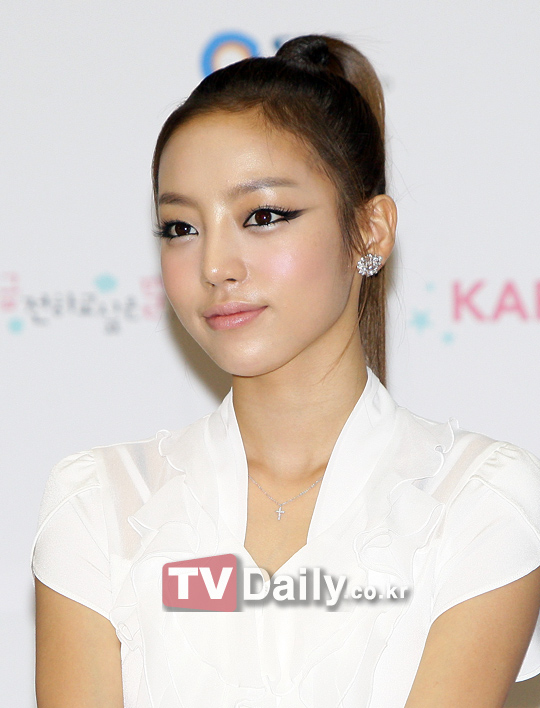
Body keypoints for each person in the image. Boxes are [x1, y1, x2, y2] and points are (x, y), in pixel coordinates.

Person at [31, 34, 540, 708]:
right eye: (181, 227)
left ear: (371, 230)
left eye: (263, 216)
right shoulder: (101, 502)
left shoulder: (477, 498)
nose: (215, 265)